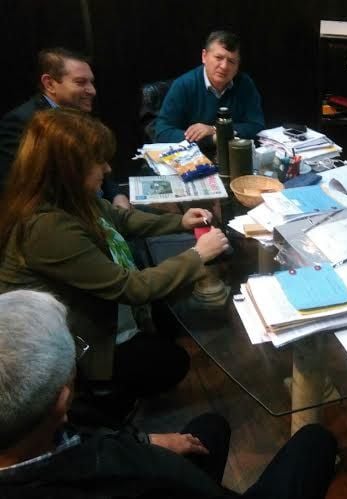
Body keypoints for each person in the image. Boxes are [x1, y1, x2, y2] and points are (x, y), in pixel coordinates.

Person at [0, 108, 229, 421]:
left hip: (93, 309)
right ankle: (101, 395)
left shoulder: (70, 196)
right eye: (99, 161)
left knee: (171, 319)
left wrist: (180, 222)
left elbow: (119, 218)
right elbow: (129, 287)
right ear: (69, 169)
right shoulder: (46, 227)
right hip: (76, 339)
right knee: (173, 361)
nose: (108, 169)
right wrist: (197, 255)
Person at [0, 289, 337, 498]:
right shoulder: (116, 482)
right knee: (315, 440)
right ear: (62, 401)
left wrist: (145, 441)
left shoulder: (40, 431)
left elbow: (92, 439)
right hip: (161, 482)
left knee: (210, 428)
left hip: (146, 466)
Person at [0, 47, 129, 209]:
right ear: (50, 84)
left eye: (91, 82)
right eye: (80, 82)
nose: (92, 91)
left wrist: (117, 195)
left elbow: (96, 164)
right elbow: (21, 189)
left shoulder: (77, 112)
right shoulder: (23, 122)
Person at [154, 30, 265, 149]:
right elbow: (162, 132)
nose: (224, 66)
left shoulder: (244, 84)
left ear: (238, 65)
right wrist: (209, 140)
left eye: (231, 61)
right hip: (194, 154)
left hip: (232, 153)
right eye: (218, 57)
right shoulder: (183, 85)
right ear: (204, 56)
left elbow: (257, 125)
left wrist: (216, 130)